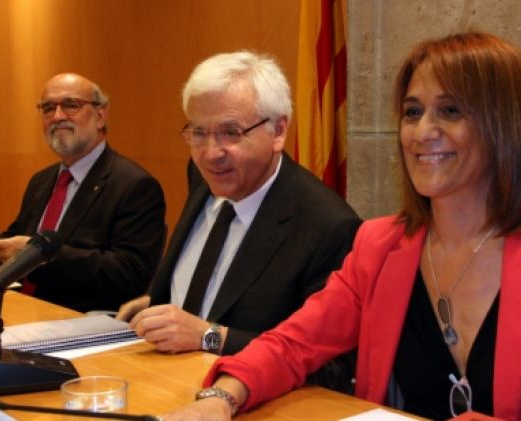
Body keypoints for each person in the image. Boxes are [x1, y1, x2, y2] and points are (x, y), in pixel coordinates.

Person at [160, 33, 521, 421]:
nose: (422, 131)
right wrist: (221, 398)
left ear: (509, 125)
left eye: (450, 110)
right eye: (412, 111)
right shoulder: (380, 245)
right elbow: (291, 344)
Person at [116, 51, 361, 390]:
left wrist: (209, 337)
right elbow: (216, 283)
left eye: (231, 132)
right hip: (159, 383)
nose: (211, 153)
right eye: (198, 133)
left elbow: (333, 371)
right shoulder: (206, 175)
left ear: (278, 130)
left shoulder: (328, 226)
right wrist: (163, 297)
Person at [0, 73, 167, 312]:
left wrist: (40, 256)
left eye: (71, 105)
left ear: (100, 116)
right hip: (20, 309)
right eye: (48, 108)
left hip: (77, 319)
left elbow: (131, 273)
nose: (57, 116)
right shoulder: (42, 181)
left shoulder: (134, 185)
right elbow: (12, 248)